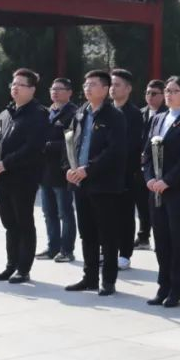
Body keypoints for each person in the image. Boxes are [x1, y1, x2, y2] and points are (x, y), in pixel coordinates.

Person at [64, 70, 126, 296]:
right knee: (87, 232)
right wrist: (68, 168)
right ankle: (89, 277)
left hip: (104, 184)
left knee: (107, 234)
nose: (87, 88)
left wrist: (88, 169)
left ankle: (108, 280)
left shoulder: (114, 116)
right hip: (80, 183)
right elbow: (71, 143)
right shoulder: (81, 113)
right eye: (85, 84)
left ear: (105, 89)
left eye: (93, 84)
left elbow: (115, 151)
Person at [0, 68, 49, 283]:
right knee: (9, 224)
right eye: (13, 84)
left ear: (32, 89)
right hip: (1, 178)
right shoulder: (5, 113)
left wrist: (5, 163)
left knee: (23, 222)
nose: (15, 88)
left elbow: (32, 147)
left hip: (23, 178)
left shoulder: (38, 114)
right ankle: (10, 266)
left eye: (21, 84)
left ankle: (23, 268)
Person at [144, 76, 180, 307]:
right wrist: (149, 177)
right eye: (167, 90)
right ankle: (163, 286)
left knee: (178, 240)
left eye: (175, 91)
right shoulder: (157, 119)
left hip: (178, 190)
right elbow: (147, 152)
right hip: (156, 189)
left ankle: (177, 288)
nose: (169, 94)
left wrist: (168, 180)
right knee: (161, 239)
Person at [37, 78, 78, 263]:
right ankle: (52, 247)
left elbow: (74, 141)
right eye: (52, 89)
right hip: (45, 170)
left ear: (69, 92)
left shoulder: (74, 113)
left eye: (59, 89)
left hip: (62, 171)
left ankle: (67, 249)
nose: (55, 92)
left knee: (65, 212)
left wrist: (50, 145)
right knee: (48, 212)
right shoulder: (45, 113)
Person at [110, 69, 145, 272]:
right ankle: (108, 250)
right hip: (105, 173)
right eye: (111, 85)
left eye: (117, 85)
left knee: (125, 215)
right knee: (107, 215)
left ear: (128, 88)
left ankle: (124, 254)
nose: (112, 89)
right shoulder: (105, 110)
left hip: (126, 173)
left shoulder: (134, 114)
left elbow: (132, 145)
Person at [135, 79, 167, 250]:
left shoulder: (167, 114)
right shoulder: (140, 113)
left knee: (156, 204)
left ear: (163, 95)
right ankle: (143, 236)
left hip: (159, 166)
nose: (150, 96)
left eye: (154, 93)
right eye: (147, 93)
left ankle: (161, 238)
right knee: (141, 202)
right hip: (140, 165)